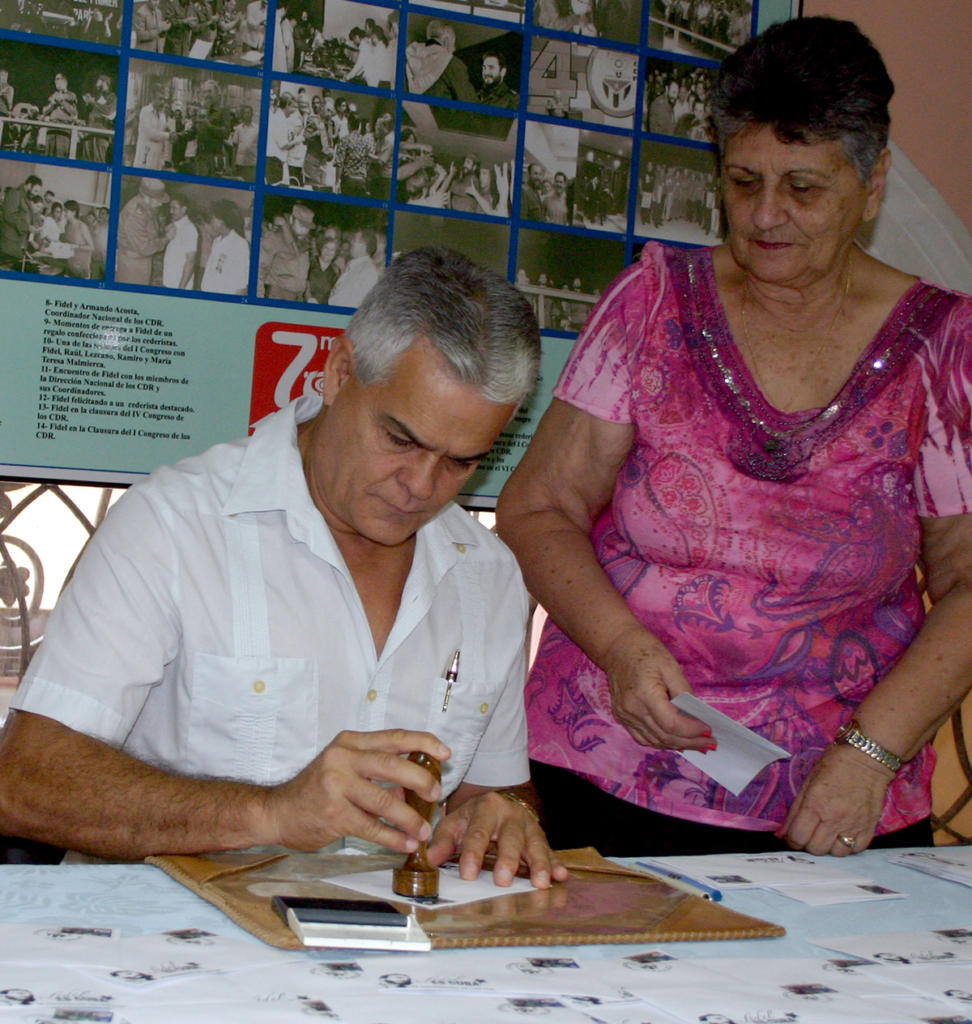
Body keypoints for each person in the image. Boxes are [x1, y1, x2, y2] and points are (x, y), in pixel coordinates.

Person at [497, 18, 972, 859]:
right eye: (743, 180)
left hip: (836, 798)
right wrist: (621, 647)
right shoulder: (652, 303)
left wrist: (873, 753)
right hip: (609, 767)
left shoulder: (941, 349)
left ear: (873, 184)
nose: (764, 215)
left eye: (804, 188)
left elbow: (969, 581)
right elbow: (541, 507)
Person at [0, 248, 566, 891]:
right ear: (340, 373)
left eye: (462, 462)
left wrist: (507, 816)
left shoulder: (487, 575)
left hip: (402, 942)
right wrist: (270, 813)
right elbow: (24, 781)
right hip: (173, 939)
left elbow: (494, 790)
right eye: (400, 440)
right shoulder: (175, 526)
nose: (420, 485)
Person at [114, 177, 169, 285]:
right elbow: (144, 247)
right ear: (147, 197)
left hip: (140, 262)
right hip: (132, 267)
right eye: (158, 200)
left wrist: (163, 231)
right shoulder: (136, 214)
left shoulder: (147, 207)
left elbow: (150, 231)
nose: (160, 204)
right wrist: (166, 239)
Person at [404, 21, 476, 103]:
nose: (454, 49)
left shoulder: (409, 60)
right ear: (446, 40)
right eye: (453, 44)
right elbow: (470, 102)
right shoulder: (453, 64)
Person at [199, 198, 249, 294]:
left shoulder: (240, 244)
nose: (211, 221)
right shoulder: (217, 241)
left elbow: (241, 285)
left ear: (223, 220)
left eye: (213, 218)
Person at [327, 227, 379, 307]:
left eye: (354, 240)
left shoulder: (369, 271)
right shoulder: (355, 265)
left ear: (363, 245)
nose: (351, 242)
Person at [161, 194, 198, 289]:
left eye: (174, 208)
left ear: (184, 209)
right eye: (170, 208)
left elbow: (190, 261)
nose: (171, 211)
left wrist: (181, 288)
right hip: (169, 281)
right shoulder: (174, 225)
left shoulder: (189, 229)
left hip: (178, 284)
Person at [133, 88, 171, 170]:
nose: (162, 102)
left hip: (158, 156)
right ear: (153, 98)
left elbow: (163, 131)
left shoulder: (162, 114)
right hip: (146, 154)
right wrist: (168, 135)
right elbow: (150, 134)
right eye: (160, 99)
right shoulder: (145, 111)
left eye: (164, 99)